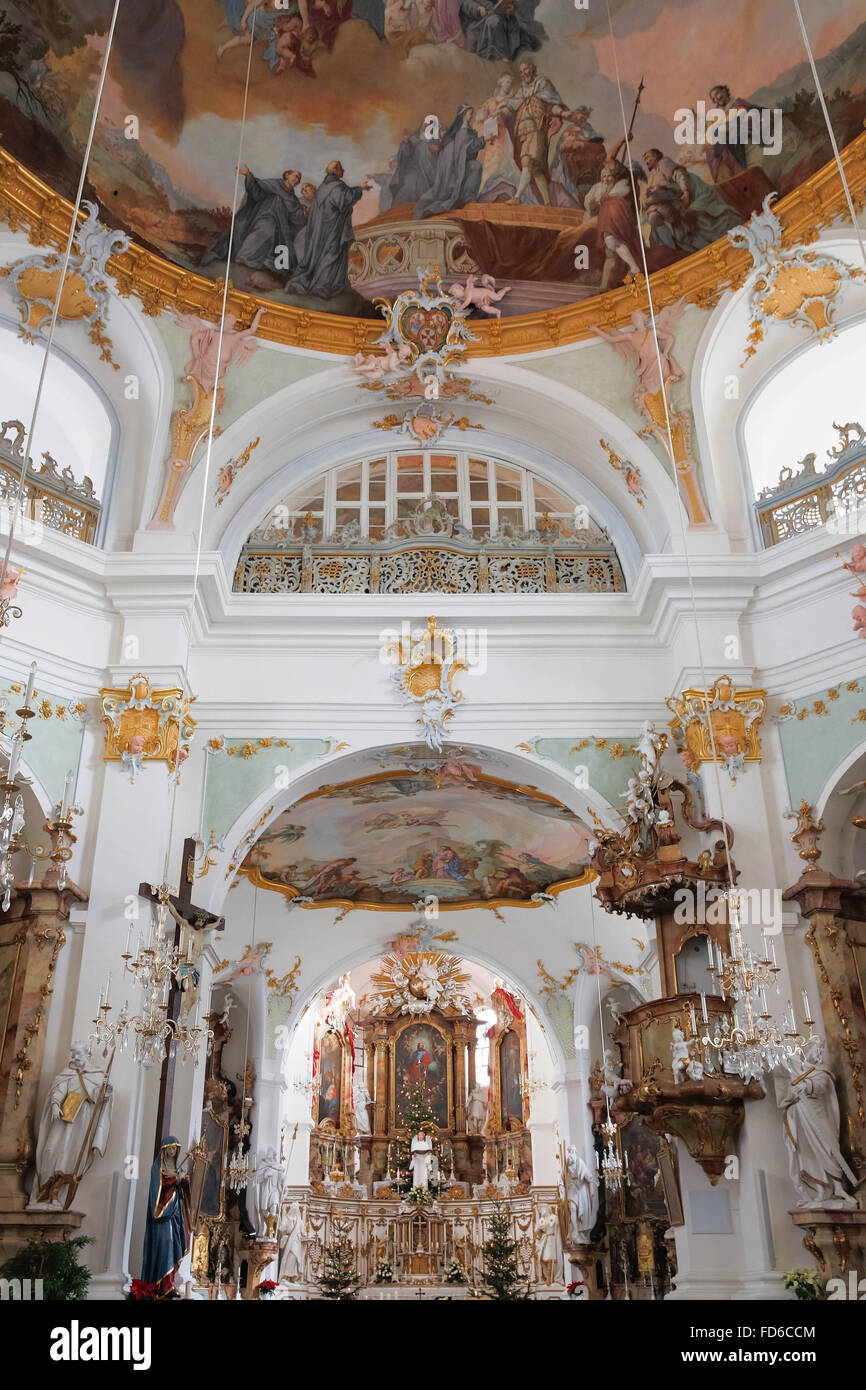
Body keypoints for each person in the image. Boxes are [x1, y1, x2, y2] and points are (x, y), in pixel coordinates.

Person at [29, 1042, 113, 1209]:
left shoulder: (98, 1075)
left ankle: (55, 1194)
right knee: (51, 1150)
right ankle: (43, 1190)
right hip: (64, 1116)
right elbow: (59, 1090)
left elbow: (99, 1098)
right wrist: (55, 1104)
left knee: (69, 1155)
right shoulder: (67, 1073)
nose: (74, 1057)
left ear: (87, 1053)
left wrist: (107, 1090)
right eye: (73, 1053)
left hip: (81, 1121)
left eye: (78, 1053)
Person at [776, 1037, 858, 1209]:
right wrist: (793, 1091)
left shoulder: (822, 1070)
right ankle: (821, 1190)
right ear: (808, 1050)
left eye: (820, 1050)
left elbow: (821, 1085)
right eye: (815, 1049)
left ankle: (838, 1187)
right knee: (808, 1152)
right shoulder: (796, 1070)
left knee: (829, 1149)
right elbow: (786, 1092)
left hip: (817, 1113)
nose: (817, 1052)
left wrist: (806, 1085)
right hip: (801, 1115)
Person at [203, 167, 307, 280]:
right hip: (265, 216)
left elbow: (296, 217)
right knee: (265, 230)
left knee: (277, 245)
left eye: (299, 179)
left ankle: (261, 264)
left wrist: (304, 214)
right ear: (287, 175)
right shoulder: (274, 184)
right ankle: (244, 257)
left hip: (281, 227)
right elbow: (256, 190)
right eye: (296, 176)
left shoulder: (293, 199)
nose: (297, 180)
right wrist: (248, 175)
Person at [286, 160, 371, 298]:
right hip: (332, 230)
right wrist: (360, 188)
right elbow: (346, 198)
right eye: (341, 168)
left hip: (319, 231)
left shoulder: (322, 188)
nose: (343, 171)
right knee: (331, 256)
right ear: (336, 171)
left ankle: (313, 284)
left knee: (320, 256)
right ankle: (322, 286)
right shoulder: (336, 186)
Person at [503, 60, 569, 206]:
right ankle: (547, 202)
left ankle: (517, 197)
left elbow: (551, 104)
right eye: (521, 71)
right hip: (524, 132)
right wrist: (499, 111)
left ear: (532, 69)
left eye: (526, 69)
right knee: (536, 170)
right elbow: (512, 108)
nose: (523, 73)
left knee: (527, 161)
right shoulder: (522, 89)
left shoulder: (542, 83)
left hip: (537, 130)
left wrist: (563, 113)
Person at [414, 106, 484, 219]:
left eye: (471, 113)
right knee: (475, 166)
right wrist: (481, 142)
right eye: (470, 113)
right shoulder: (460, 131)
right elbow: (465, 150)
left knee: (475, 166)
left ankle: (468, 197)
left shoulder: (467, 130)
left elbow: (467, 152)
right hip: (454, 168)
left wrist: (478, 141)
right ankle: (465, 198)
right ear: (464, 115)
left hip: (462, 164)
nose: (471, 116)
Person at [141, 1136, 190, 1297]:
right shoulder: (157, 1167)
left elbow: (181, 1190)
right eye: (169, 1148)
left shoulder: (176, 1166)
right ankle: (161, 1286)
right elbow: (159, 1188)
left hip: (174, 1213)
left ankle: (170, 1285)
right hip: (162, 1214)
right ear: (163, 1150)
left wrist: (183, 1180)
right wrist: (176, 1178)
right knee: (165, 1244)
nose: (172, 1151)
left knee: (174, 1244)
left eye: (174, 1148)